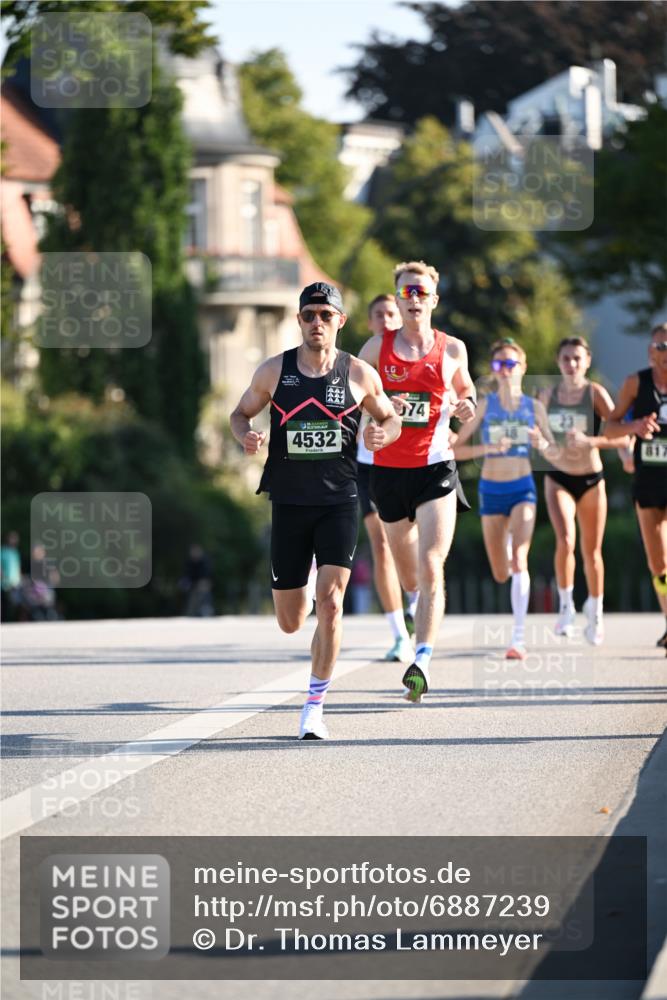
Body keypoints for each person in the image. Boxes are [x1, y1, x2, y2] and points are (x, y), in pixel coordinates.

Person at [230, 282, 401, 738]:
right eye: (309, 315)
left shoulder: (359, 374)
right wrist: (244, 435)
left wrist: (385, 435)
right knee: (290, 622)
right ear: (299, 321)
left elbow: (389, 417)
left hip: (339, 501)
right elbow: (239, 414)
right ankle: (301, 586)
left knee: (331, 605)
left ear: (340, 321)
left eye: (326, 315)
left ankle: (314, 707)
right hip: (288, 502)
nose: (317, 323)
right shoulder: (274, 371)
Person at [360, 260, 476, 702]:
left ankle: (422, 660)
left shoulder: (452, 349)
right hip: (388, 474)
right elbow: (355, 398)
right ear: (397, 298)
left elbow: (466, 390)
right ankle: (414, 609)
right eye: (406, 292)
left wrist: (466, 405)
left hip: (435, 468)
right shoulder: (375, 349)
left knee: (431, 565)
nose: (413, 299)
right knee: (409, 577)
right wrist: (367, 426)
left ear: (433, 299)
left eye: (420, 292)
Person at [453, 339, 555, 658]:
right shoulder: (485, 405)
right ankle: (508, 555)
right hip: (490, 492)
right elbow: (456, 449)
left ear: (522, 369)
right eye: (499, 365)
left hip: (522, 489)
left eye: (511, 364)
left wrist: (541, 443)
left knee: (519, 559)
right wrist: (486, 449)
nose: (505, 370)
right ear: (493, 371)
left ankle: (518, 639)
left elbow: (554, 452)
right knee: (500, 572)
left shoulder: (534, 408)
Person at [538, 337, 630, 645]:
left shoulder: (595, 393)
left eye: (577, 358)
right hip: (558, 476)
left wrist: (592, 442)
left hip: (591, 478)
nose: (571, 364)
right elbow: (537, 434)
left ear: (587, 361)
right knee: (565, 541)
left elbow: (621, 436)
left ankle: (596, 612)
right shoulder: (546, 393)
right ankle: (566, 608)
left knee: (592, 552)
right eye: (566, 358)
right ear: (558, 361)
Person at [357, 294, 418, 664]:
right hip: (368, 462)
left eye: (390, 313)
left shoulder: (414, 356)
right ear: (369, 323)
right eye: (378, 315)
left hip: (413, 463)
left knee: (408, 545)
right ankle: (399, 634)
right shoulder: (364, 363)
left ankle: (415, 605)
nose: (385, 320)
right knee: (380, 545)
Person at [605, 322, 667, 650]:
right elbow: (609, 427)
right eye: (661, 347)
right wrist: (636, 426)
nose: (666, 353)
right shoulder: (635, 383)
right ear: (650, 352)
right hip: (648, 481)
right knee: (658, 562)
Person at [1, 531, 22, 621]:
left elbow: (17, 567)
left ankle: (11, 621)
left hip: (15, 583)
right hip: (4, 583)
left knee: (14, 604)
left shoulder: (15, 552)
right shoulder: (3, 551)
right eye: (12, 538)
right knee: (5, 604)